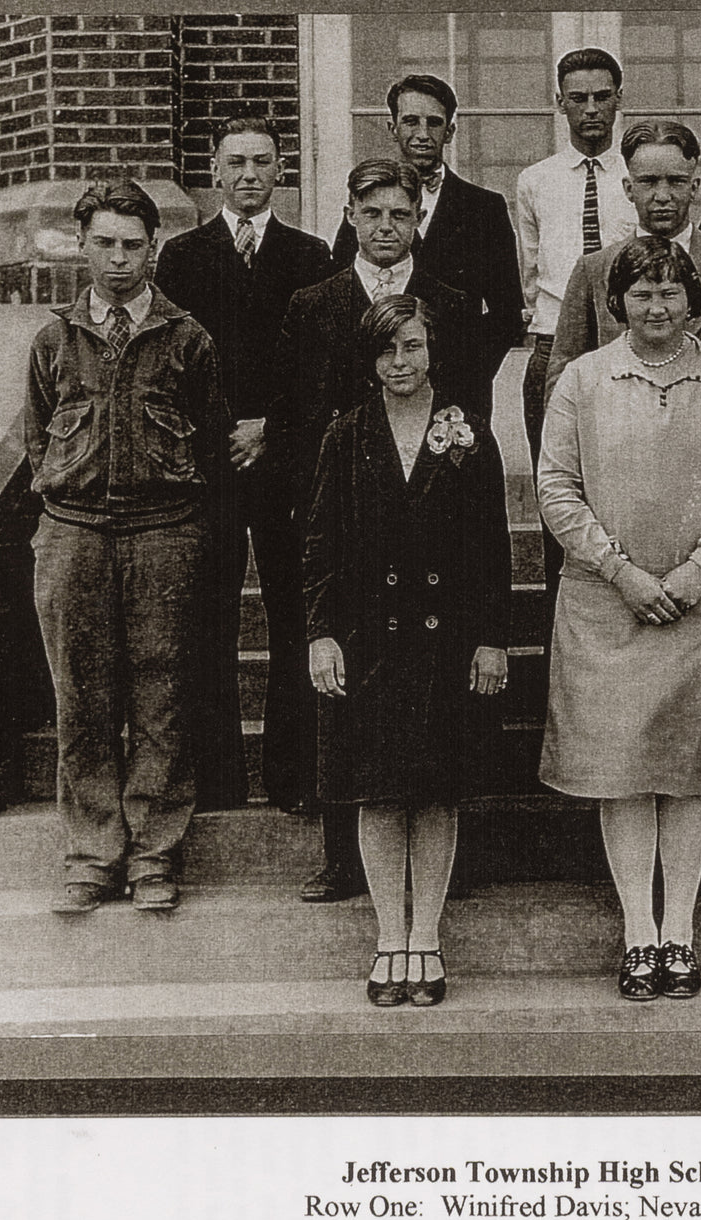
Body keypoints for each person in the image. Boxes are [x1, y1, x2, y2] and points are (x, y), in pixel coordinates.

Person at [538, 237, 701, 1002]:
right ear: (617, 302)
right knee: (623, 774)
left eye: (670, 292)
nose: (655, 307)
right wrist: (622, 572)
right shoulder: (582, 379)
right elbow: (556, 487)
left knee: (688, 772)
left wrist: (698, 568)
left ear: (693, 302)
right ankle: (637, 935)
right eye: (641, 293)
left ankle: (679, 933)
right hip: (607, 608)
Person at [267, 158, 480, 904]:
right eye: (372, 214)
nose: (386, 227)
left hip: (432, 521)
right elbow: (295, 413)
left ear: (419, 218)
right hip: (351, 519)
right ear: (350, 217)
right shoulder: (314, 303)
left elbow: (467, 410)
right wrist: (321, 504)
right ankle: (342, 853)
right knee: (344, 696)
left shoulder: (448, 303)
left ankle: (444, 861)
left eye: (400, 214)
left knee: (433, 699)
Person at [23, 179, 228, 915]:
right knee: (81, 698)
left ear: (153, 249)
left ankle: (152, 856)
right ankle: (91, 855)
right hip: (73, 531)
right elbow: (37, 438)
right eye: (104, 243)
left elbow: (211, 438)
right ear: (82, 245)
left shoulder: (187, 339)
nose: (118, 259)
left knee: (162, 697)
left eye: (132, 246)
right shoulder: (54, 340)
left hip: (164, 532)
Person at [305, 294, 511, 1006]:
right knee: (379, 790)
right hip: (369, 639)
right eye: (386, 349)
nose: (400, 362)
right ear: (369, 358)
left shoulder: (467, 434)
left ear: (433, 351)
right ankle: (389, 935)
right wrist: (321, 633)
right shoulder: (345, 434)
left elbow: (490, 547)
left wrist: (490, 637)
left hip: (445, 638)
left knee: (435, 791)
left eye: (413, 346)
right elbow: (320, 544)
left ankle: (427, 935)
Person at [155, 114, 332, 815]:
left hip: (286, 465)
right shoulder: (182, 257)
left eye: (262, 162)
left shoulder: (310, 254)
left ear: (281, 170)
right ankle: (218, 779)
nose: (250, 175)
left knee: (295, 617)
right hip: (210, 466)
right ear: (216, 171)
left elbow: (318, 368)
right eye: (237, 162)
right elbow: (170, 366)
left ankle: (294, 777)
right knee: (209, 620)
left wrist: (271, 431)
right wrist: (222, 432)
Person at [545, 119, 701, 450]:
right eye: (648, 182)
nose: (662, 196)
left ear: (694, 187)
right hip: (620, 452)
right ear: (628, 188)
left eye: (676, 181)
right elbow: (562, 380)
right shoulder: (594, 269)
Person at [515, 47, 637, 614]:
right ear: (558, 102)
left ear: (619, 100)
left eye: (602, 97)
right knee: (557, 491)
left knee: (624, 489)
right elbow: (530, 270)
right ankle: (560, 625)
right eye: (578, 98)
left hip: (624, 347)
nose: (591, 109)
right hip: (553, 351)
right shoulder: (535, 181)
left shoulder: (638, 177)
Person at [331, 74, 524, 418]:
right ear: (392, 128)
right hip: (368, 398)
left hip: (454, 396)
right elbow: (341, 301)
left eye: (434, 123)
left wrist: (467, 372)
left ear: (449, 131)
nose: (422, 134)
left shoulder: (484, 209)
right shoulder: (367, 209)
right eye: (410, 121)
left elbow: (507, 315)